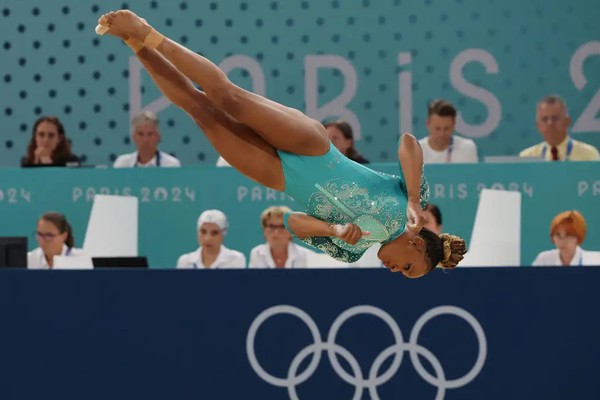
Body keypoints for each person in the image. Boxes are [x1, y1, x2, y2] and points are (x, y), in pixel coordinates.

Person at [97, 10, 467, 278]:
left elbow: (290, 222)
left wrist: (334, 230)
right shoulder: (410, 205)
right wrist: (416, 199)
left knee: (200, 111)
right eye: (407, 267)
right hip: (313, 149)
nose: (394, 269)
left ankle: (133, 43)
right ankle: (147, 31)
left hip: (279, 176)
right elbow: (407, 143)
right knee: (227, 98)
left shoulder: (353, 252)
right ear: (417, 245)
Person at [519, 95, 600, 161]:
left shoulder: (588, 155)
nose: (550, 123)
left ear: (567, 122)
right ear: (538, 125)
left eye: (555, 118)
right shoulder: (526, 158)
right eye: (545, 119)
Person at [248, 206, 315, 268]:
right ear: (264, 229)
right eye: (272, 226)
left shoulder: (307, 256)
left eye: (282, 227)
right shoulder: (257, 254)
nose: (276, 232)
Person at [176, 209, 246, 269]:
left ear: (223, 234)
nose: (207, 238)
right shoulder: (185, 262)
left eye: (214, 233)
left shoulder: (235, 260)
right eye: (203, 232)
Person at [113, 110, 182, 167]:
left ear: (158, 136)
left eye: (150, 134)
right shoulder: (122, 164)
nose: (146, 139)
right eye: (140, 134)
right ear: (133, 136)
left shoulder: (171, 165)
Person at [418, 100, 478, 164]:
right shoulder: (415, 152)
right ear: (428, 124)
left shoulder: (467, 148)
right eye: (437, 129)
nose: (442, 134)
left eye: (446, 129)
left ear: (454, 124)